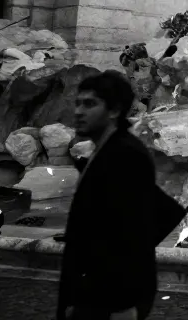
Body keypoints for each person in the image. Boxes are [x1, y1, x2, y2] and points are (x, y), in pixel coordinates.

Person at [57, 71, 157, 320]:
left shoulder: (125, 155)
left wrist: (123, 306)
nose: (79, 111)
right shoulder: (106, 150)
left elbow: (131, 232)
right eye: (78, 103)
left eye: (90, 104)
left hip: (110, 298)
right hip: (93, 291)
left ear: (114, 110)